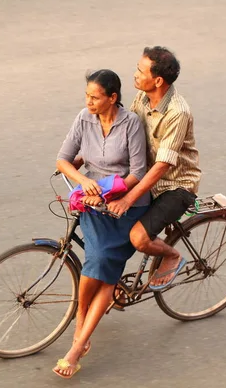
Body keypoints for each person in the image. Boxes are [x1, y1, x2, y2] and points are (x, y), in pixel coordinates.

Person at [53, 69, 150, 378]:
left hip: (125, 204)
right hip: (93, 202)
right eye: (87, 96)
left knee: (102, 263)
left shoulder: (130, 124)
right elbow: (63, 159)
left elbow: (137, 172)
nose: (89, 101)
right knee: (98, 262)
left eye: (95, 97)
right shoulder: (84, 118)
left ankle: (77, 345)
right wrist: (84, 182)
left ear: (113, 98)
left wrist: (107, 190)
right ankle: (82, 324)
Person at [108, 46, 201, 290]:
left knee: (138, 237)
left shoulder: (177, 112)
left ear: (158, 80)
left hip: (174, 186)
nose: (135, 74)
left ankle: (172, 255)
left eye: (141, 71)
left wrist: (128, 199)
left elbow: (162, 166)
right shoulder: (143, 97)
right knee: (107, 216)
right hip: (144, 176)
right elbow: (126, 131)